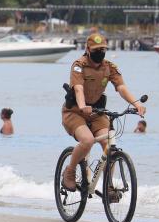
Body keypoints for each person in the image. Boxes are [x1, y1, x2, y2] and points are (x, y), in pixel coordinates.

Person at [60, 33, 145, 192]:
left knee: (109, 144)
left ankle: (108, 187)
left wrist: (136, 103)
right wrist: (83, 105)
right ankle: (70, 171)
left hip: (97, 112)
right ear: (88, 49)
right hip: (75, 112)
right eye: (96, 49)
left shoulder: (109, 67)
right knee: (87, 140)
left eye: (103, 49)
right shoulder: (79, 65)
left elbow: (121, 87)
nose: (100, 52)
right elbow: (78, 89)